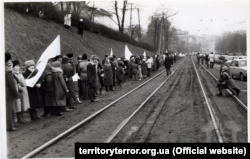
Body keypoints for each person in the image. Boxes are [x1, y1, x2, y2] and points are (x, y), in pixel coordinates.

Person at [5, 52, 19, 131]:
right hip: (8, 93)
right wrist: (16, 94)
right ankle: (10, 126)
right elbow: (12, 84)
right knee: (9, 110)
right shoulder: (8, 70)